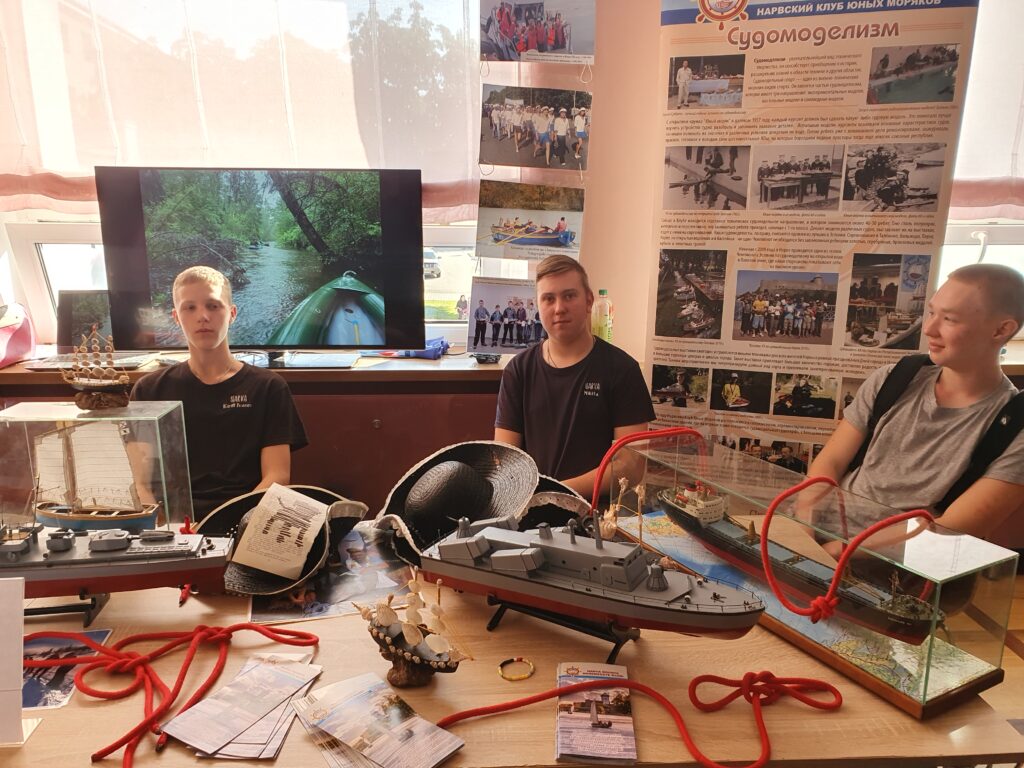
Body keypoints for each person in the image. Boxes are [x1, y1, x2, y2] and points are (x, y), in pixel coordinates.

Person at [809, 264, 1024, 551]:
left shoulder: (1015, 425)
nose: (929, 329)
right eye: (932, 312)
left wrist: (836, 552)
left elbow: (953, 528)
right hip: (819, 538)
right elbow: (831, 462)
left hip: (896, 565)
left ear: (1001, 330)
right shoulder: (893, 378)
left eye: (949, 319)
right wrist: (802, 526)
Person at [130, 266, 308, 521]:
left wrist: (236, 523)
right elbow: (140, 483)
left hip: (246, 519)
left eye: (213, 306)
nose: (203, 316)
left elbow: (277, 476)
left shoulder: (268, 387)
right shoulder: (149, 390)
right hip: (175, 525)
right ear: (176, 317)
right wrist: (161, 527)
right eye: (189, 308)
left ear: (232, 313)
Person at [494, 255, 654, 496]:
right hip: (531, 509)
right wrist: (537, 497)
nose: (559, 308)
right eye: (549, 298)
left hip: (595, 511)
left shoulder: (622, 370)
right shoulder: (518, 371)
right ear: (538, 306)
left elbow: (631, 466)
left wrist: (555, 492)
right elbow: (505, 459)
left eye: (569, 296)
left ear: (589, 301)